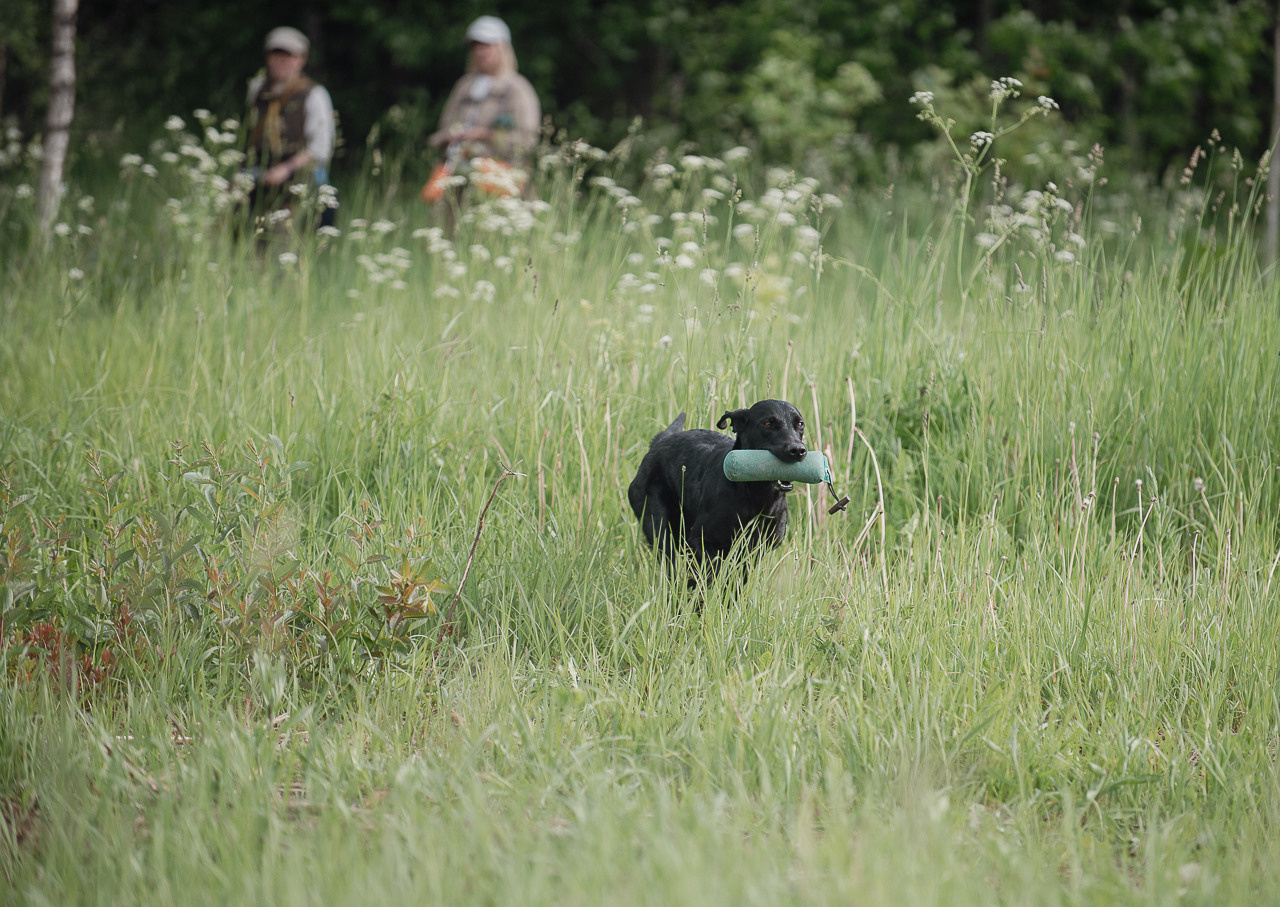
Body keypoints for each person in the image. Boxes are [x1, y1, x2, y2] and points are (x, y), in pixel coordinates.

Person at [424, 16, 541, 211]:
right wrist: (451, 137)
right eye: (475, 46)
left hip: (501, 183)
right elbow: (441, 131)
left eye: (486, 45)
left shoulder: (517, 89)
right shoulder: (464, 86)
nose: (480, 52)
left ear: (503, 48)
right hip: (457, 179)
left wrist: (485, 135)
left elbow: (528, 141)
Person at [244, 26, 337, 235]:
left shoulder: (315, 94)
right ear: (268, 57)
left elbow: (321, 149)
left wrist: (285, 169)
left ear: (301, 59)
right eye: (277, 54)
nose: (282, 61)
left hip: (297, 177)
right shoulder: (257, 88)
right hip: (259, 170)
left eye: (289, 55)